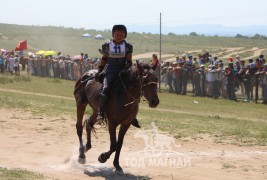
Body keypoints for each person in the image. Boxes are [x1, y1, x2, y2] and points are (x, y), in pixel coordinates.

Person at [95, 24, 133, 121]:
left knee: (133, 89)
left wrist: (126, 68)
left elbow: (129, 61)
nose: (119, 37)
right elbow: (104, 59)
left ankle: (133, 115)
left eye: (121, 35)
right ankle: (101, 112)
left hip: (123, 70)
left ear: (125, 35)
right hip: (110, 70)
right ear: (113, 34)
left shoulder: (128, 46)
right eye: (117, 34)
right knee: (105, 89)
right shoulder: (106, 46)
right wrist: (99, 71)